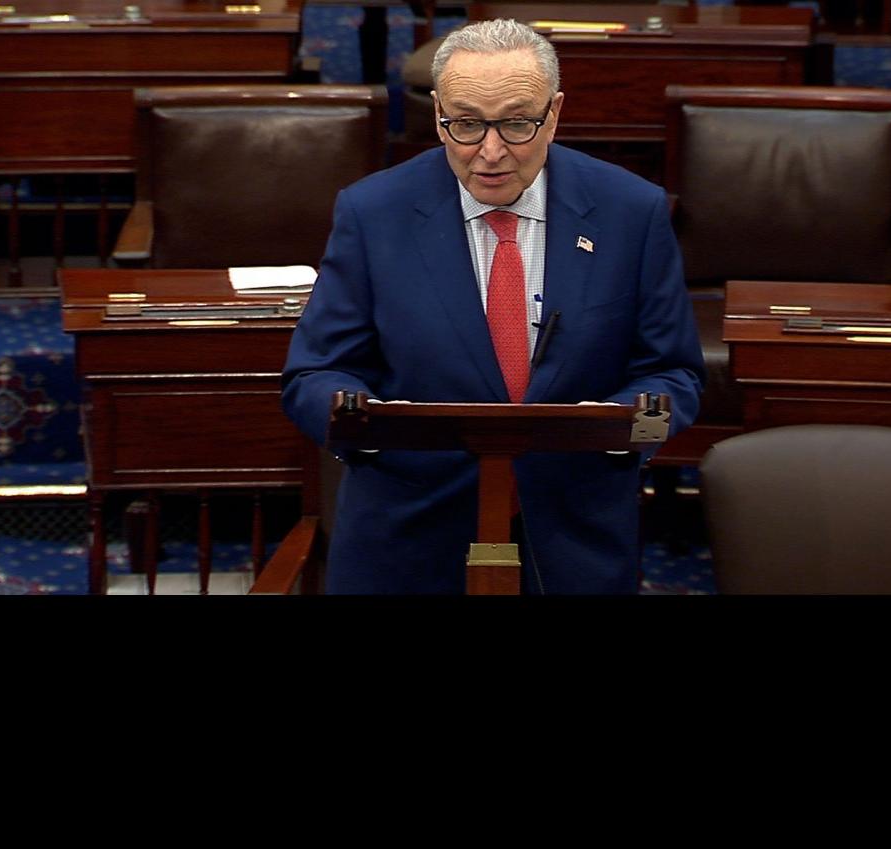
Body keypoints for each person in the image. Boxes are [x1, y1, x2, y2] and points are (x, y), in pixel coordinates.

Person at [281, 18, 704, 594]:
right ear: (438, 114)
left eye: (517, 123)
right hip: (410, 528)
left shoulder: (630, 210)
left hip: (574, 528)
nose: (491, 151)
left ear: (554, 114)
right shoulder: (373, 211)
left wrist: (616, 427)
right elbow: (314, 372)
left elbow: (673, 372)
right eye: (466, 124)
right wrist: (369, 424)